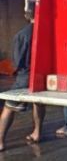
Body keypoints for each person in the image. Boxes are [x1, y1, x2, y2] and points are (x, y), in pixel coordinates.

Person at [0, 21, 45, 151]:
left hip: (25, 77)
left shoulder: (22, 34)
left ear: (26, 15)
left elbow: (17, 62)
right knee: (39, 102)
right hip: (42, 75)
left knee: (9, 107)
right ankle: (37, 133)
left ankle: (0, 141)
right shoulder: (45, 31)